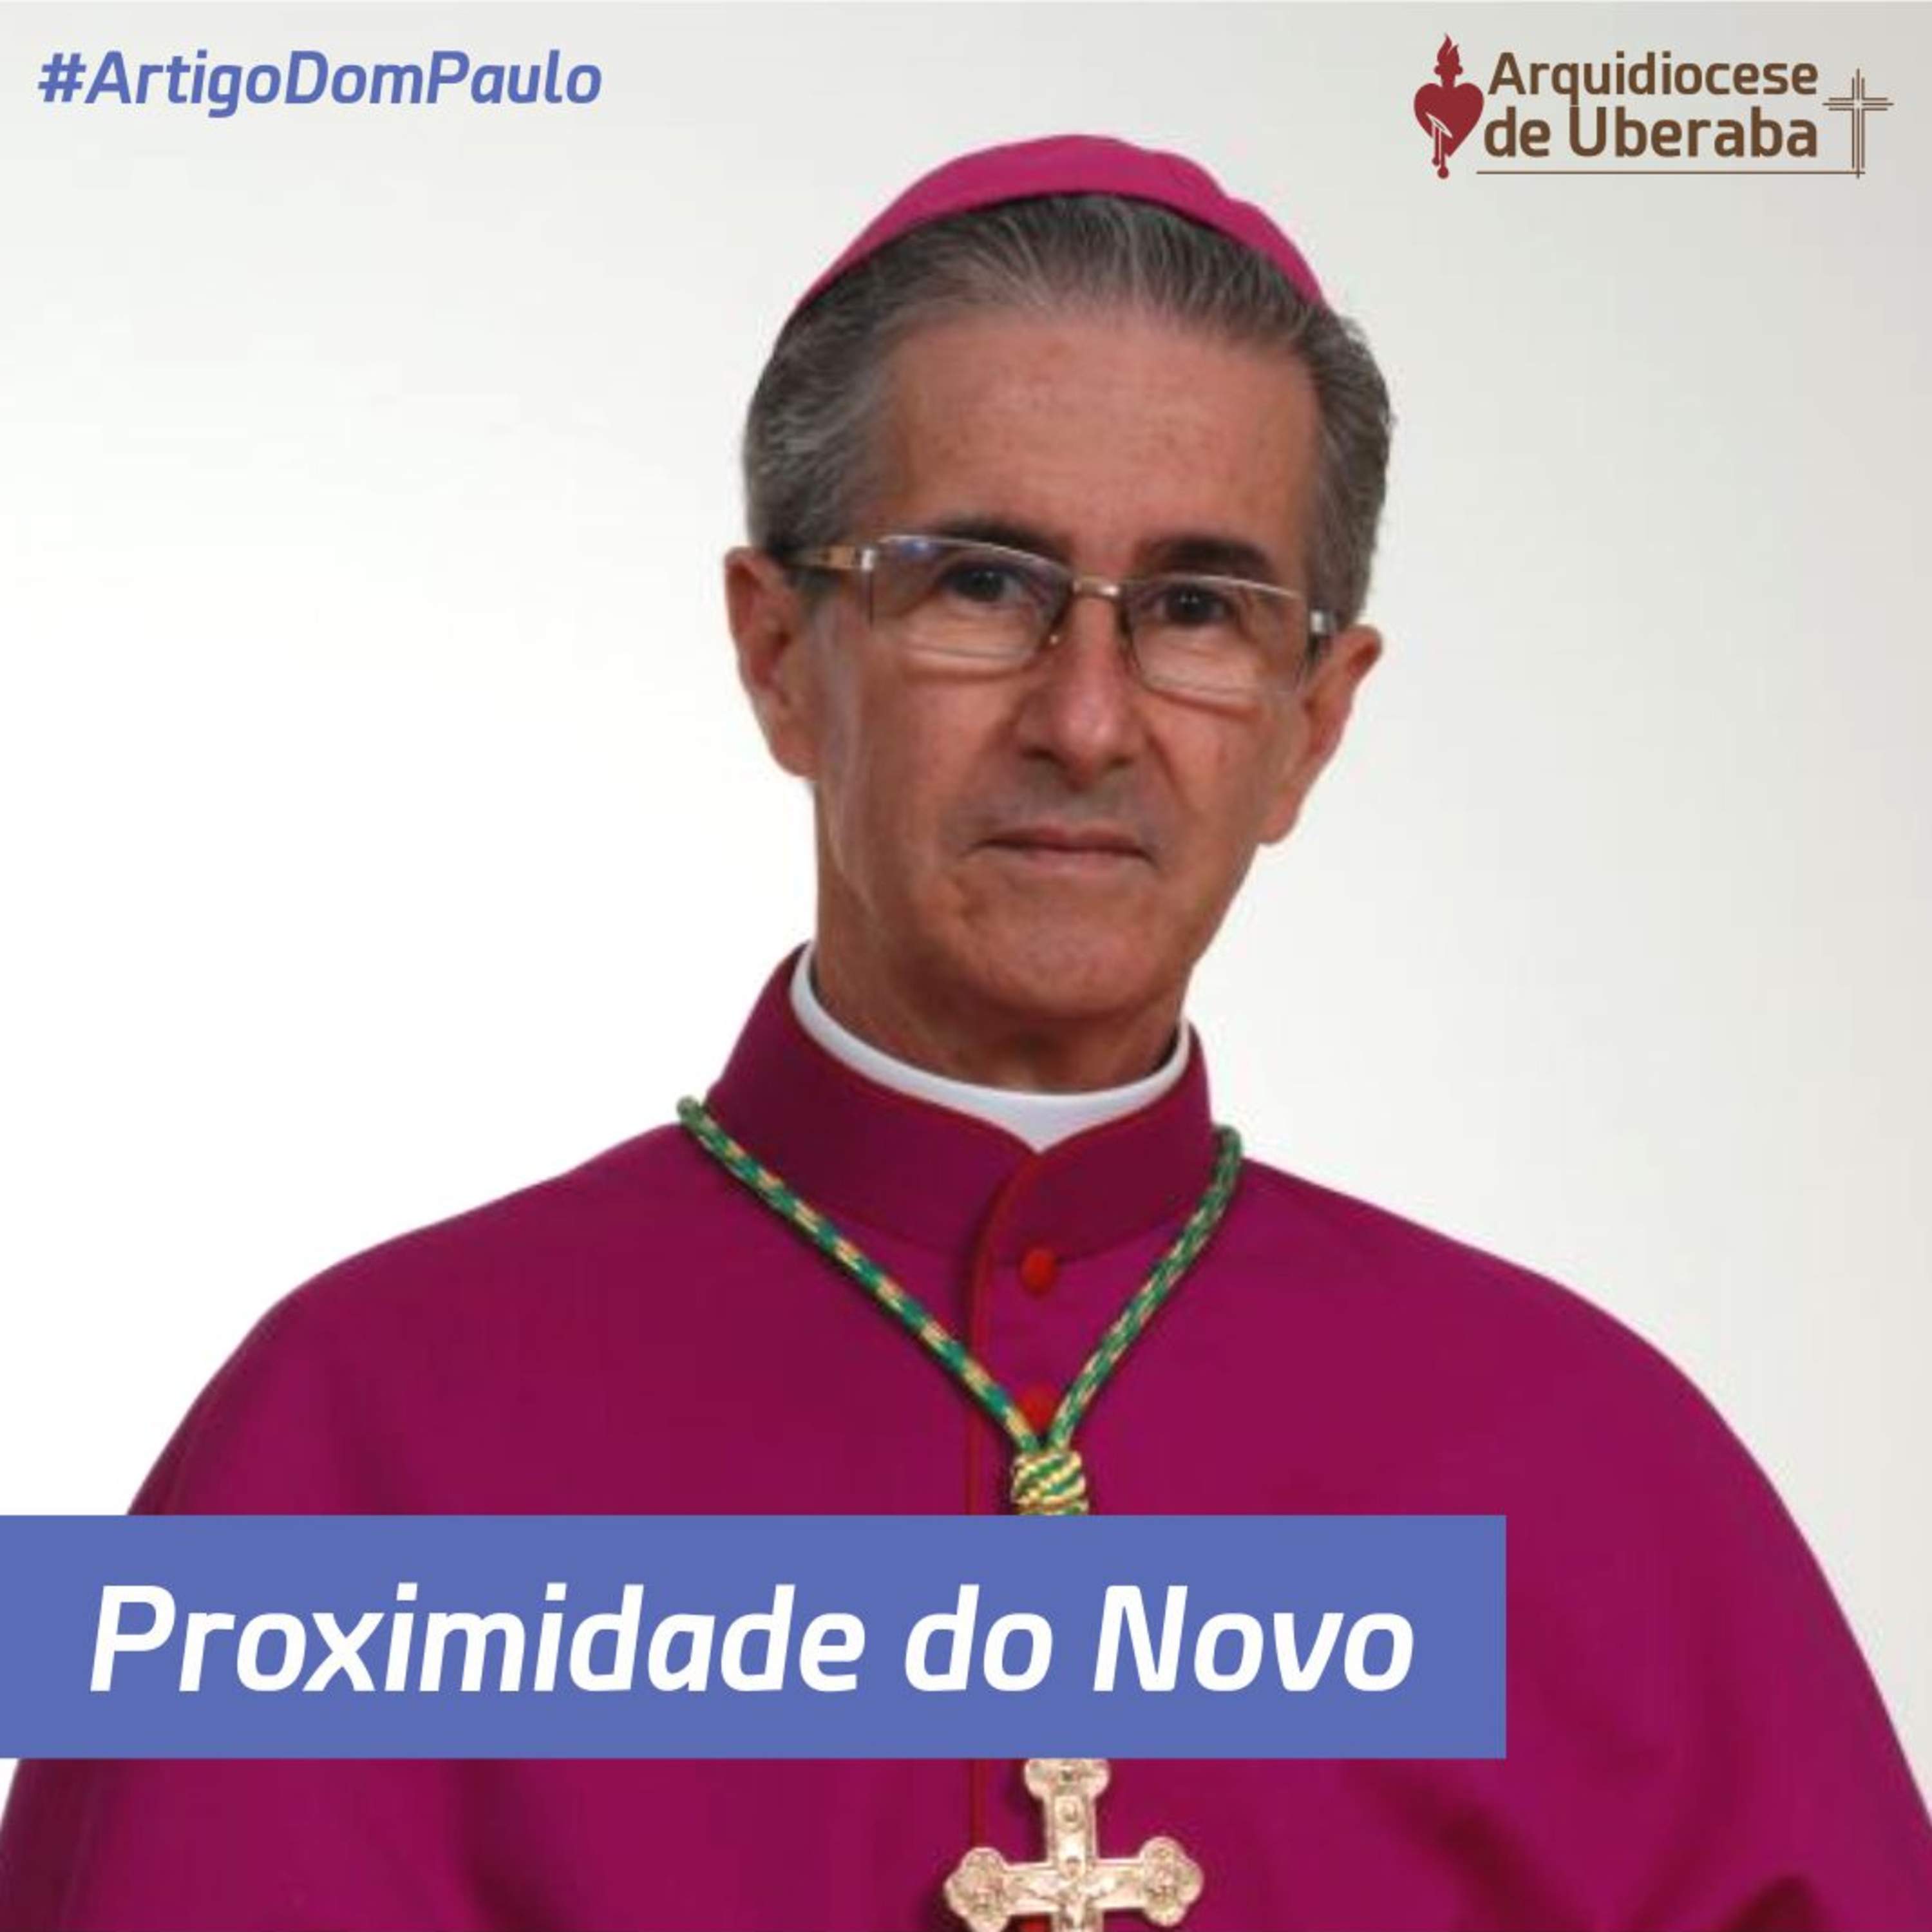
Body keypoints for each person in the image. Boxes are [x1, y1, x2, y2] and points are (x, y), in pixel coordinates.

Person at [3, 131, 1929, 1932]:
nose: (1086, 720)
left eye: (1198, 607)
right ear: (780, 654)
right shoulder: (354, 1448)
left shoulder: (1593, 1471)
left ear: (1314, 722)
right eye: (983, 584)